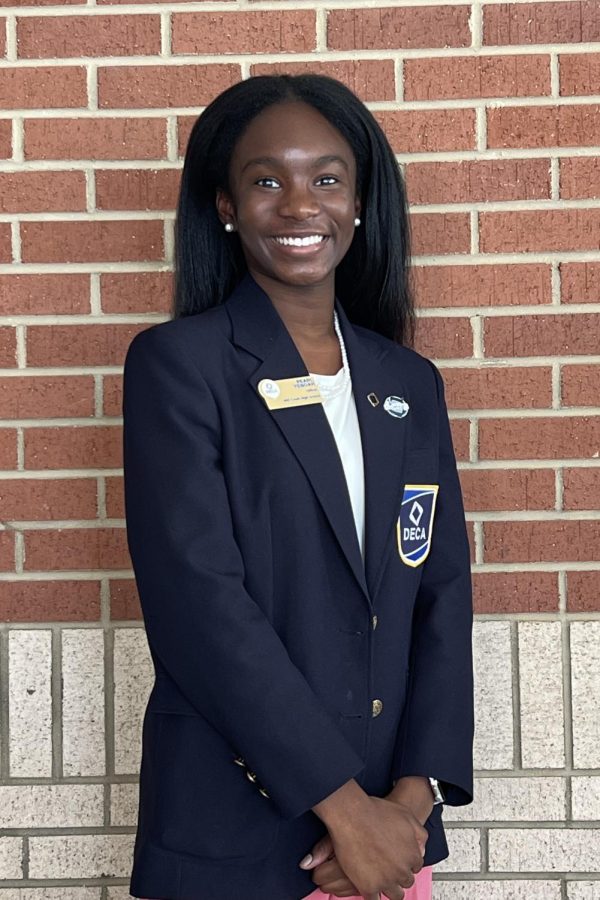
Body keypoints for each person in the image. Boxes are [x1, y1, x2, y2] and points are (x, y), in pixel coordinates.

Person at [122, 73, 474, 900]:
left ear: (359, 202)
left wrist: (409, 806)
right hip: (233, 823)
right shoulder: (180, 367)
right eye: (266, 179)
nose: (299, 205)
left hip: (389, 838)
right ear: (225, 206)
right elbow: (199, 607)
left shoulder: (408, 383)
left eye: (326, 178)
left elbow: (440, 597)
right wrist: (343, 811)